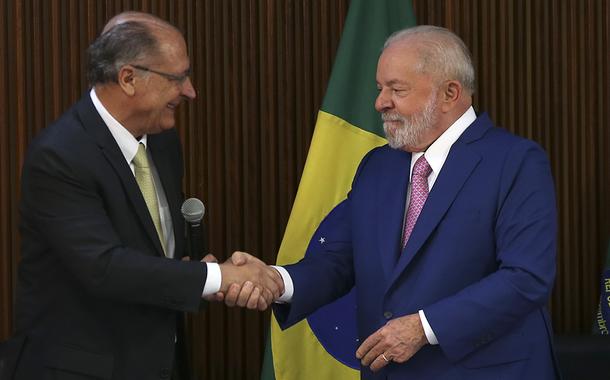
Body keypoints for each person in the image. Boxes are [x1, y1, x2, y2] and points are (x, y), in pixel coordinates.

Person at [229, 25, 560, 379]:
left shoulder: (516, 161)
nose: (380, 102)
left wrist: (424, 327)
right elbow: (338, 260)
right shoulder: (378, 165)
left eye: (396, 89)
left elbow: (526, 278)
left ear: (450, 93)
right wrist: (277, 281)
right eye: (379, 88)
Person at [9, 12, 281, 380]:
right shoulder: (59, 156)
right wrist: (215, 277)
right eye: (177, 77)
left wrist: (195, 271)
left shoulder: (163, 140)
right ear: (129, 79)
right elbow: (104, 267)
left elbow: (152, 246)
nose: (190, 91)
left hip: (158, 362)